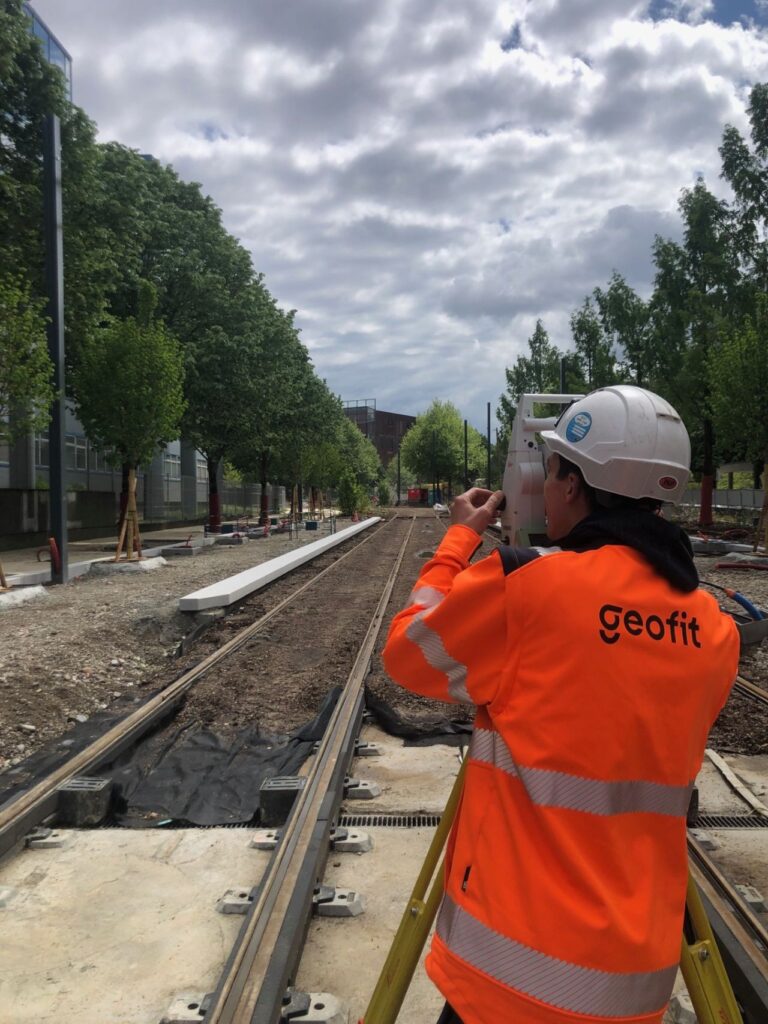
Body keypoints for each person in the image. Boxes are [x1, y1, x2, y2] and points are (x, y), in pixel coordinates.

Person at [382, 385, 740, 1024]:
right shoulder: (713, 628)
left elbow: (409, 651)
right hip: (635, 982)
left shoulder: (528, 586)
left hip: (515, 975)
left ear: (572, 486)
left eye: (549, 472)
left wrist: (460, 542)